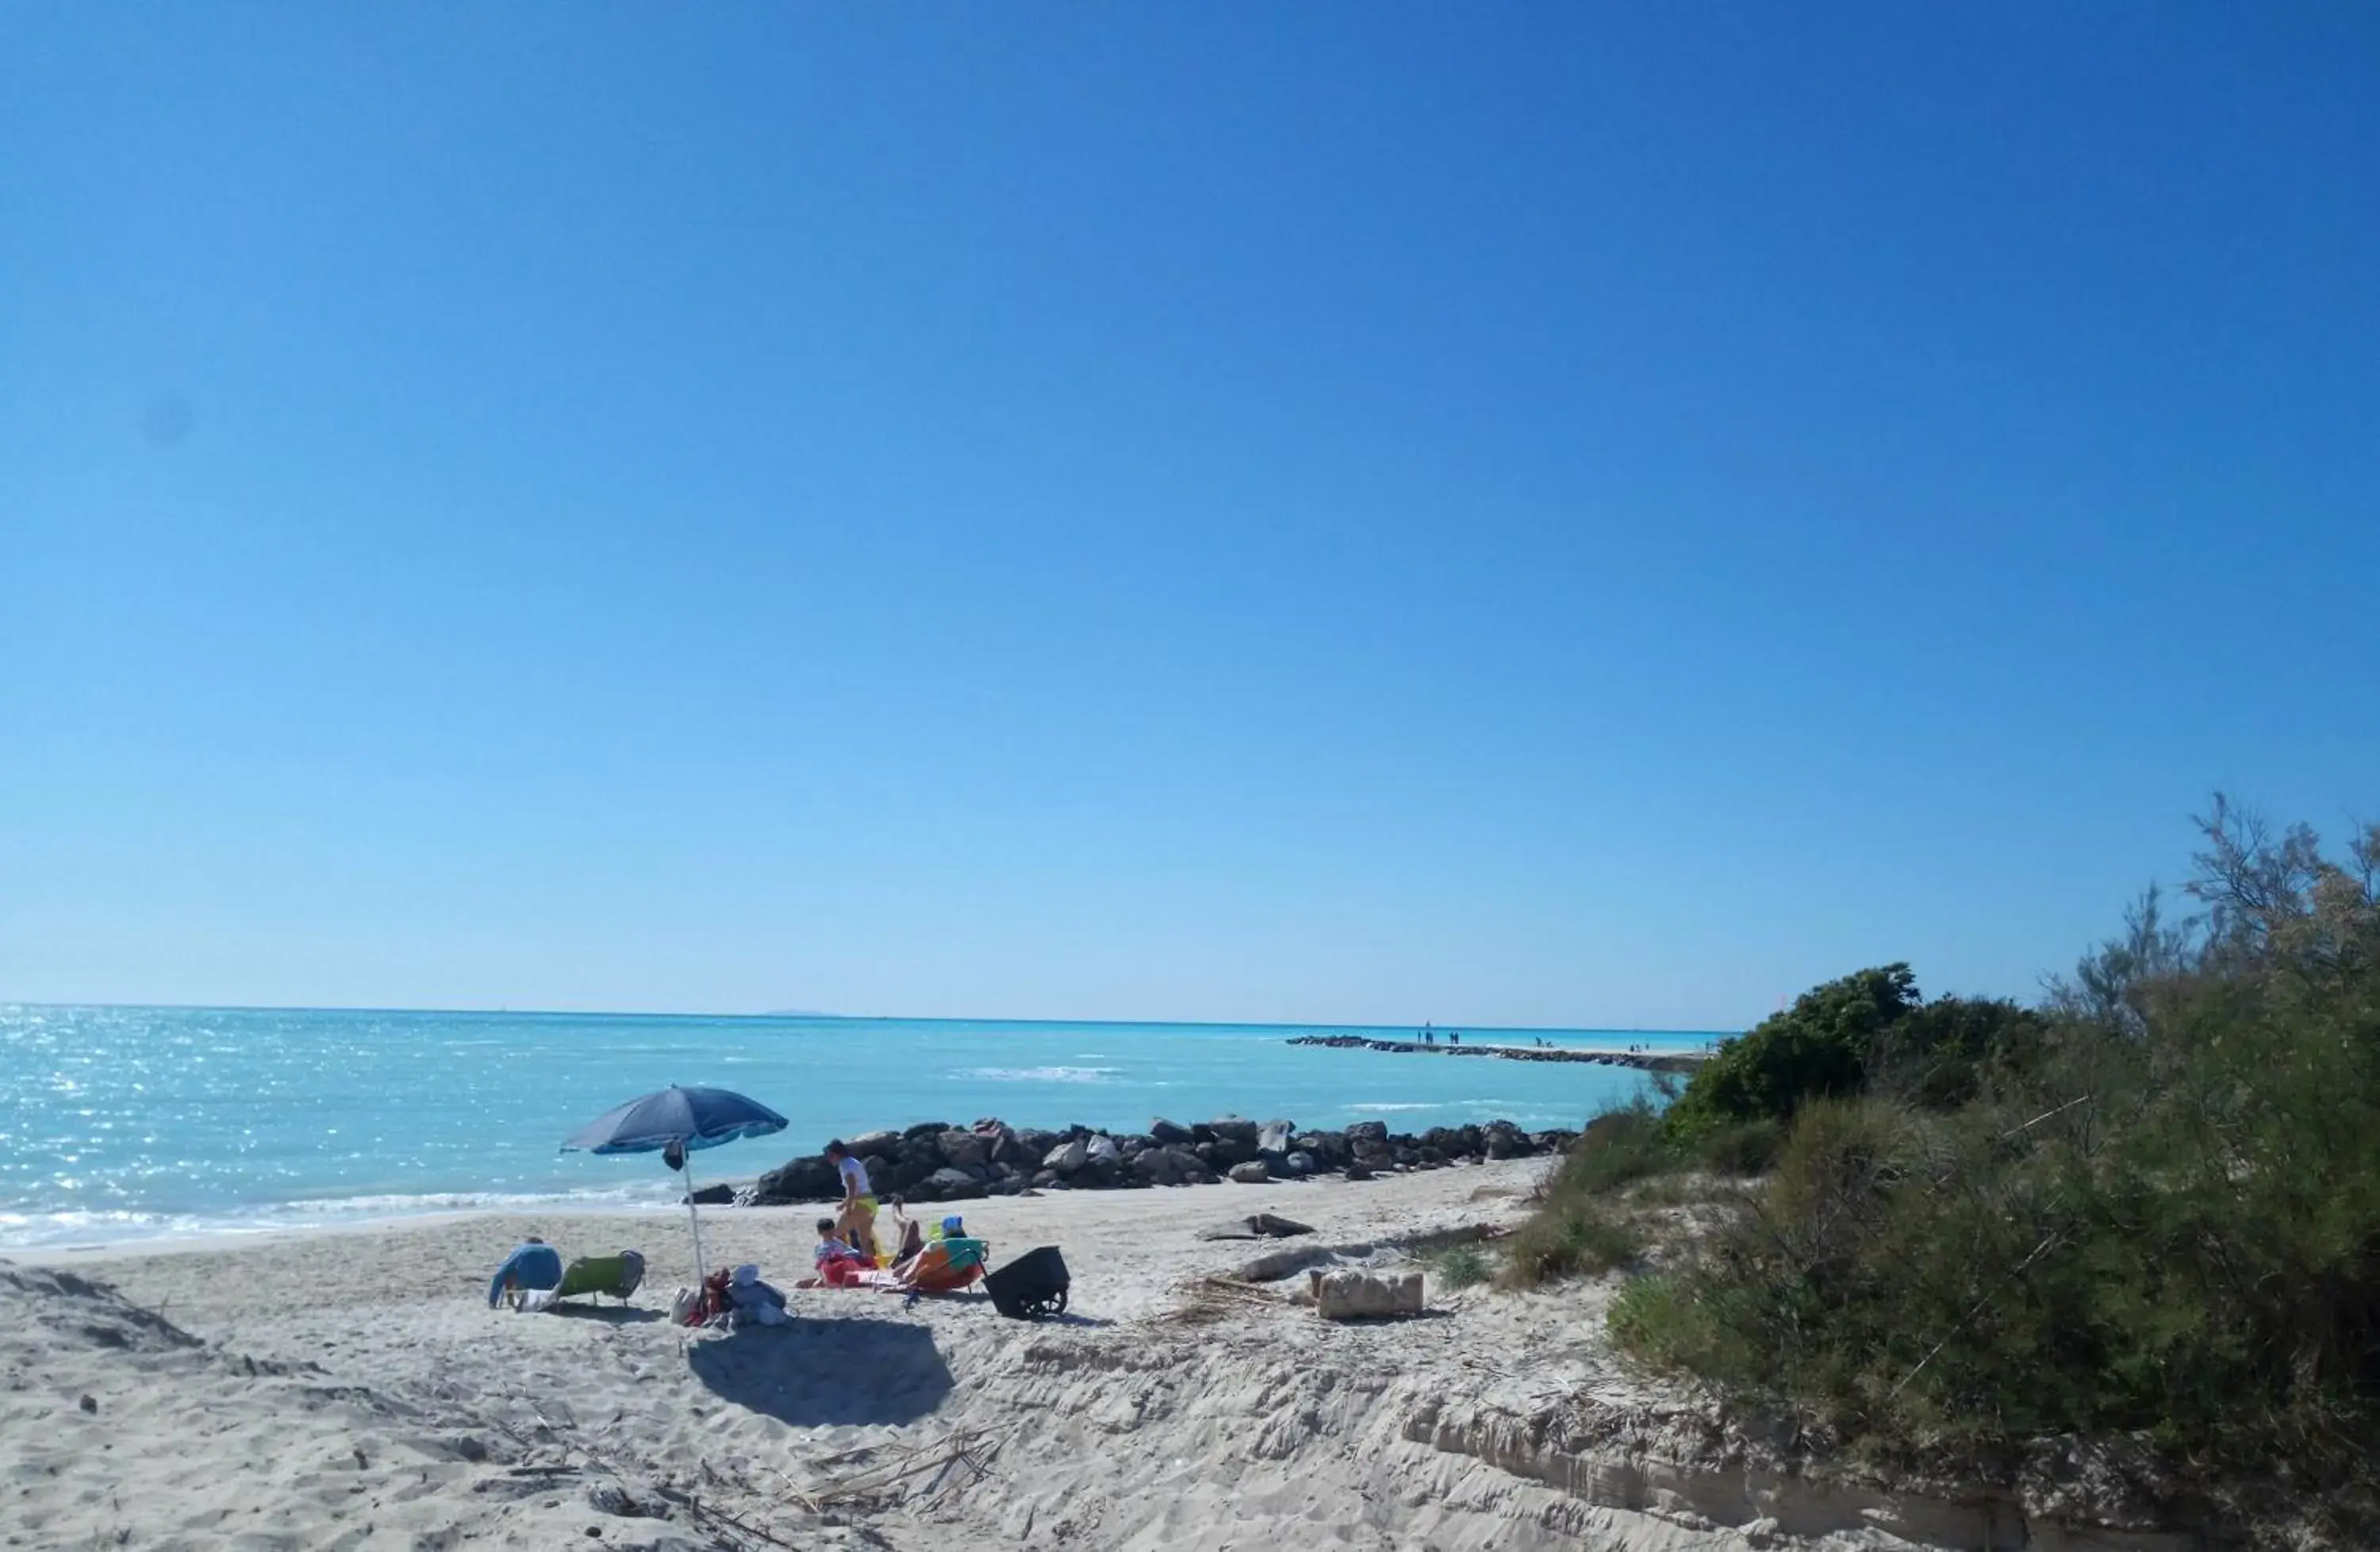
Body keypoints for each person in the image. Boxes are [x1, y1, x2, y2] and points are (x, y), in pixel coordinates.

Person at [823, 1139, 880, 1259]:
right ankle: (871, 1265)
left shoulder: (845, 1165)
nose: (829, 1158)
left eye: (830, 1155)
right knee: (864, 1241)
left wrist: (848, 1207)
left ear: (838, 1153)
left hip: (860, 1204)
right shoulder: (853, 1162)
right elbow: (860, 1188)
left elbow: (852, 1188)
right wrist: (844, 1203)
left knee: (837, 1235)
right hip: (871, 1202)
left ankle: (846, 1262)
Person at [486, 1235, 562, 1308]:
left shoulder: (522, 1249)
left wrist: (492, 1301)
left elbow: (500, 1274)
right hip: (549, 1289)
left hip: (526, 1288)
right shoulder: (552, 1251)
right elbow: (559, 1275)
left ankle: (511, 1301)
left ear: (528, 1243)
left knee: (509, 1272)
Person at [813, 1217, 873, 1288]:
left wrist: (854, 1254)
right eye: (825, 1231)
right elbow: (819, 1262)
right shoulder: (819, 1246)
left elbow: (849, 1251)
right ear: (820, 1232)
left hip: (840, 1266)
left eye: (830, 1230)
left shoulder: (837, 1242)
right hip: (828, 1268)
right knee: (820, 1280)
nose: (828, 1232)